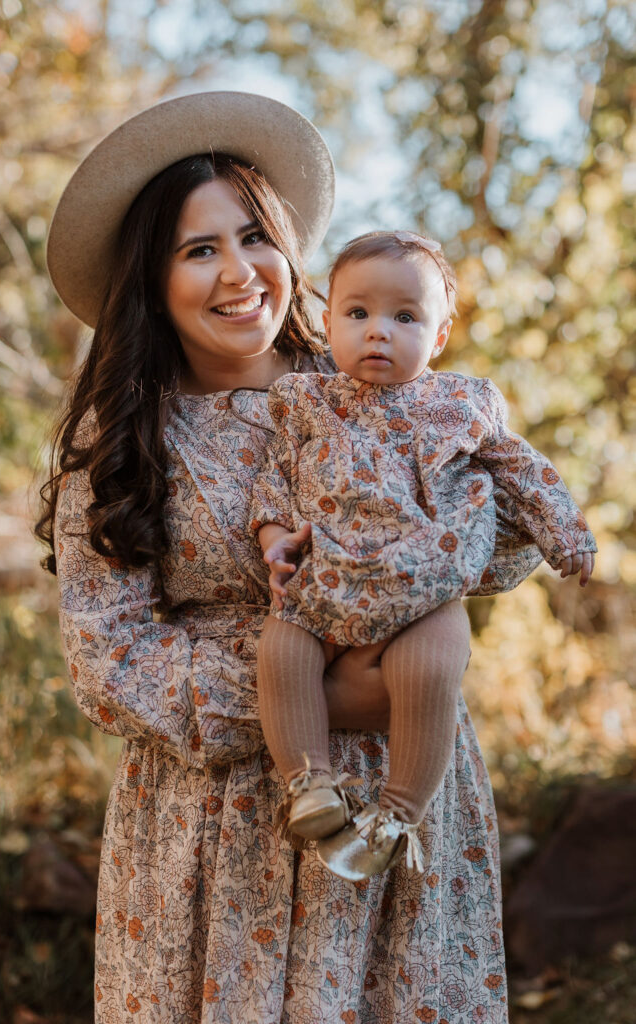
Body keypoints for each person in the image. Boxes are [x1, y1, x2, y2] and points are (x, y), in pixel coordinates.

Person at [38, 92, 533, 1024]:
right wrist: (324, 694)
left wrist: (435, 545)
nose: (239, 273)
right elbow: (111, 663)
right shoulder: (122, 441)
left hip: (400, 783)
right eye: (198, 249)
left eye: (254, 237)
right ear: (150, 279)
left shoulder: (373, 385)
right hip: (215, 827)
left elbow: (501, 549)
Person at [251, 230, 596, 881]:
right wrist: (275, 539)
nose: (377, 331)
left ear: (437, 337)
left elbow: (517, 466)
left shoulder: (455, 405)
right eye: (357, 313)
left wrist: (563, 529)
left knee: (428, 670)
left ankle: (398, 814)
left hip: (426, 585)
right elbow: (276, 478)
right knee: (283, 646)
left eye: (404, 316)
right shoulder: (306, 402)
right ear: (327, 323)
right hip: (329, 577)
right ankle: (308, 784)